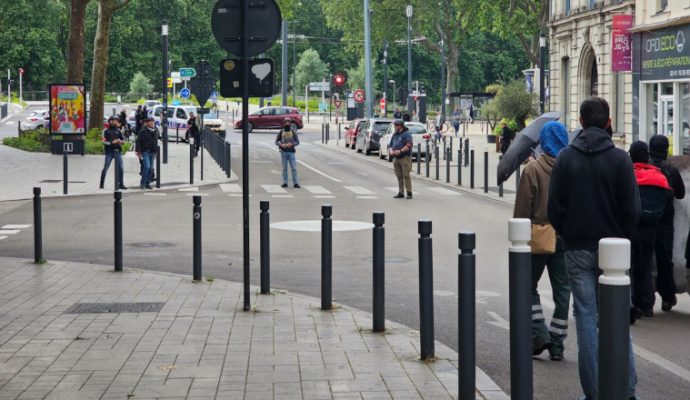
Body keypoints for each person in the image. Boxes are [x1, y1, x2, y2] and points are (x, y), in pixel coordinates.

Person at [547, 97, 640, 400]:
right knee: (615, 316)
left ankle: (594, 392)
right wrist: (620, 240)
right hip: (613, 251)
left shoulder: (565, 158)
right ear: (609, 123)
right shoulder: (620, 159)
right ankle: (626, 388)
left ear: (581, 122)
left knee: (586, 318)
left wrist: (568, 233)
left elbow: (554, 209)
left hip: (577, 249)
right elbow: (632, 210)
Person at [514, 121, 571, 361]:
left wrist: (518, 236)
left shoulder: (533, 169)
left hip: (538, 236)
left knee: (527, 286)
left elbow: (522, 209)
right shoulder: (572, 168)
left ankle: (538, 333)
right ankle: (557, 345)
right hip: (564, 237)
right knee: (563, 291)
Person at [628, 140, 672, 323]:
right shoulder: (659, 175)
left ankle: (633, 303)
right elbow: (670, 198)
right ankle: (647, 305)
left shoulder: (630, 174)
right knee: (645, 267)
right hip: (652, 229)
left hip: (632, 227)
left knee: (629, 268)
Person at [648, 134, 685, 312]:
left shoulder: (643, 166)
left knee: (644, 261)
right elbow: (680, 194)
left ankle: (645, 301)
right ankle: (667, 297)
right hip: (664, 222)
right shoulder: (671, 170)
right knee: (664, 261)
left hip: (643, 222)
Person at [99, 115, 127, 190]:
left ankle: (121, 184)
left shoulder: (119, 131)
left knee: (121, 168)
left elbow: (123, 140)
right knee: (105, 168)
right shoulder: (105, 131)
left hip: (118, 151)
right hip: (109, 152)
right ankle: (101, 183)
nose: (114, 122)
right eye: (112, 120)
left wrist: (121, 142)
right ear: (109, 122)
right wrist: (112, 142)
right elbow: (103, 141)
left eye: (115, 121)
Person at [388, 119, 413, 199]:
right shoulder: (395, 134)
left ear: (400, 126)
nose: (394, 127)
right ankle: (401, 192)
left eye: (395, 125)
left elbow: (409, 145)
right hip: (396, 157)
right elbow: (390, 145)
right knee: (399, 176)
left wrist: (400, 151)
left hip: (404, 157)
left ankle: (409, 193)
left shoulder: (406, 134)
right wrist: (391, 150)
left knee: (406, 175)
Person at [275, 118, 300, 188]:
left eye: (288, 123)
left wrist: (292, 144)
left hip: (291, 152)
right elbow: (276, 142)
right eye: (286, 123)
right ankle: (285, 182)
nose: (287, 124)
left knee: (294, 168)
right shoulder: (281, 132)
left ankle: (296, 183)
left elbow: (297, 142)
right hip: (283, 152)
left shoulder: (293, 132)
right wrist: (281, 145)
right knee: (284, 168)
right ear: (284, 124)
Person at [136, 117, 160, 190]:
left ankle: (147, 183)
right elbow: (138, 141)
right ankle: (142, 183)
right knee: (147, 167)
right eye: (150, 121)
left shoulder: (155, 130)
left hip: (152, 152)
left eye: (152, 121)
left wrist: (156, 152)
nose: (152, 123)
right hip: (145, 152)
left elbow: (156, 141)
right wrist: (138, 151)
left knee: (151, 169)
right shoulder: (142, 131)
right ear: (147, 123)